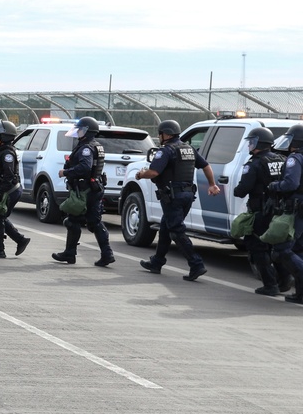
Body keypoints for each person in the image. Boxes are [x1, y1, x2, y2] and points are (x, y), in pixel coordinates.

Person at [136, 119, 221, 281]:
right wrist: (212, 184)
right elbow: (206, 165)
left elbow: (153, 173)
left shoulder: (166, 151)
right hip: (187, 196)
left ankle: (196, 264)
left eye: (160, 133)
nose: (159, 137)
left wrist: (141, 174)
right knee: (166, 228)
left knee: (176, 231)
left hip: (172, 197)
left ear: (166, 134)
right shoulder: (188, 149)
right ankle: (157, 262)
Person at [231, 127, 288, 294]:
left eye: (251, 141)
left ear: (258, 142)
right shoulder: (282, 159)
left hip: (261, 210)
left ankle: (270, 285)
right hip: (280, 210)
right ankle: (284, 281)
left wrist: (236, 190)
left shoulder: (254, 163)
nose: (249, 145)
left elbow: (243, 189)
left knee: (257, 246)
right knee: (277, 245)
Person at [52, 117, 116, 267]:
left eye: (80, 129)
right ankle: (105, 254)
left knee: (76, 221)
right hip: (93, 189)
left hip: (85, 191)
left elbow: (85, 168)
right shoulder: (95, 145)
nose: (77, 132)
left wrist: (66, 172)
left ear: (87, 131)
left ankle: (71, 253)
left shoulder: (86, 148)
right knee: (90, 221)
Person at [0, 120, 30, 258]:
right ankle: (20, 240)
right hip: (7, 189)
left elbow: (9, 175)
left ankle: (0, 250)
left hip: (10, 191)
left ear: (4, 138)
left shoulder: (7, 154)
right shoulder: (2, 151)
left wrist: (1, 192)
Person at [268, 124, 303, 304]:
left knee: (282, 249)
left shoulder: (295, 158)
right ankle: (300, 294)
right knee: (299, 249)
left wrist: (274, 186)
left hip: (296, 210)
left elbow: (291, 183)